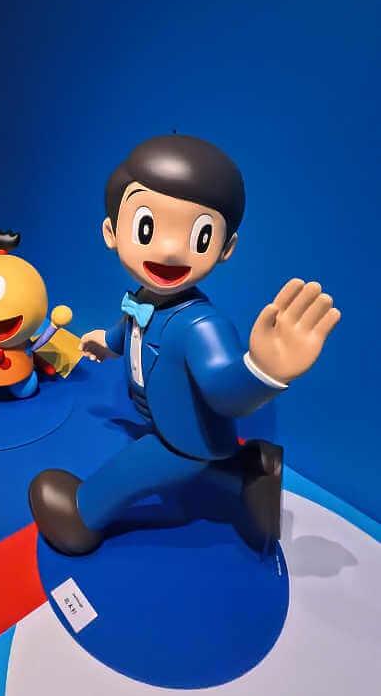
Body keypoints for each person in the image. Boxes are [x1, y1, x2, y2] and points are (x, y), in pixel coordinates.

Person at [29, 135, 341, 555]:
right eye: (147, 227)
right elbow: (130, 328)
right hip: (171, 425)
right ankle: (251, 474)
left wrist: (263, 371)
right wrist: (107, 341)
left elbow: (224, 391)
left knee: (130, 470)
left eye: (199, 236)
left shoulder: (201, 326)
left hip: (180, 442)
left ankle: (81, 515)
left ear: (226, 248)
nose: (171, 250)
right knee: (203, 465)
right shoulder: (141, 299)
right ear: (111, 231)